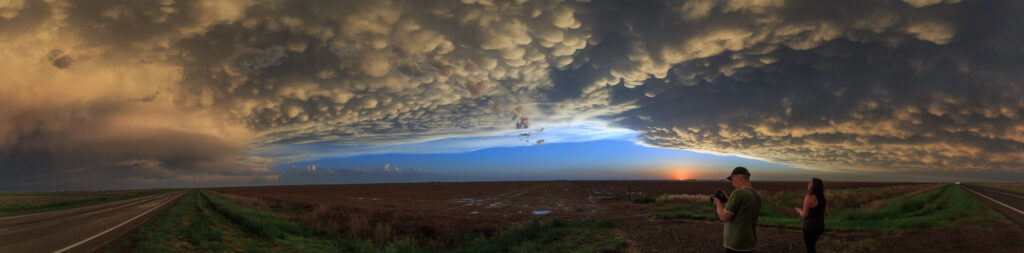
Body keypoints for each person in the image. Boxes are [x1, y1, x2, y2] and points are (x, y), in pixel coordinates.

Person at [714, 167, 762, 252]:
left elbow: (724, 217)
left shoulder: (738, 193)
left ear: (739, 178)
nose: (732, 184)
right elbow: (742, 210)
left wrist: (718, 202)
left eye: (733, 180)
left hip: (735, 244)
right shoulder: (756, 195)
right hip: (748, 243)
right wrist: (729, 200)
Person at [794, 178, 828, 253]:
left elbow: (804, 215)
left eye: (810, 182)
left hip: (809, 228)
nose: (808, 183)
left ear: (814, 186)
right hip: (820, 227)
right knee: (812, 246)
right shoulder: (822, 197)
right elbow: (826, 212)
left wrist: (799, 210)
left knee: (810, 248)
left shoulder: (808, 197)